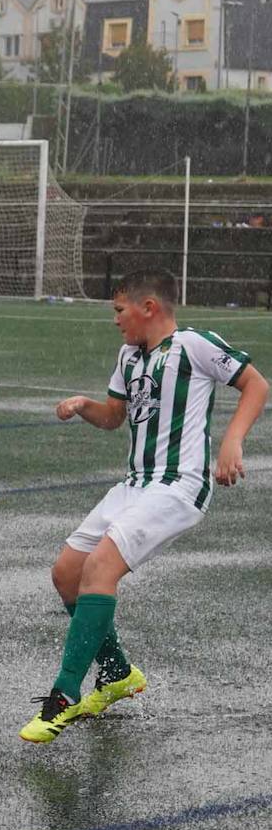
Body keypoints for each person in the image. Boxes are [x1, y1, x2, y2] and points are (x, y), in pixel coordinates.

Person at [19, 270, 266, 744]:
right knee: (67, 572)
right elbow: (114, 417)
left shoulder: (194, 345)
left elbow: (256, 385)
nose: (115, 321)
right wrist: (83, 405)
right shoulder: (129, 356)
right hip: (135, 484)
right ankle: (116, 674)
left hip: (179, 485)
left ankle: (63, 698)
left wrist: (232, 442)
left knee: (100, 566)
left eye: (118, 311)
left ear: (148, 307)